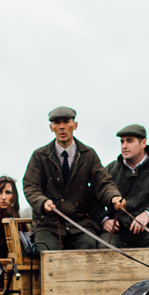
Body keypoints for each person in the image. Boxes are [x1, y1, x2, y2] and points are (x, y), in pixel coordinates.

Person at [22, 106, 125, 251]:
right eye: (57, 123)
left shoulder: (88, 155)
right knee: (49, 254)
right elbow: (30, 186)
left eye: (66, 122)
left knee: (89, 249)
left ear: (75, 125)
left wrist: (114, 197)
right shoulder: (39, 156)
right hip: (48, 226)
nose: (62, 127)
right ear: (51, 127)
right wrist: (42, 202)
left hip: (79, 225)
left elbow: (103, 182)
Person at [101, 124, 149, 248]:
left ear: (143, 143)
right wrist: (104, 220)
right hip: (116, 234)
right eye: (122, 142)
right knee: (101, 247)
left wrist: (148, 214)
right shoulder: (110, 169)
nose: (124, 146)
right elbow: (93, 200)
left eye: (130, 141)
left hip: (148, 233)